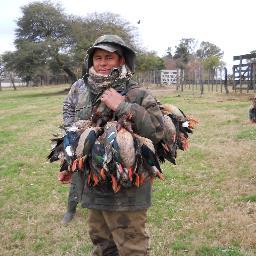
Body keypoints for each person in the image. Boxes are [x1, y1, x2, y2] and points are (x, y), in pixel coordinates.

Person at [62, 34, 165, 255]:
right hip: (94, 183)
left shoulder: (138, 93)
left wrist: (123, 106)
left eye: (109, 57)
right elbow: (70, 126)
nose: (102, 62)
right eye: (97, 57)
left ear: (121, 60)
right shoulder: (81, 89)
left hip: (128, 188)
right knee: (101, 243)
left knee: (131, 246)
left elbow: (157, 132)